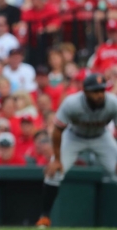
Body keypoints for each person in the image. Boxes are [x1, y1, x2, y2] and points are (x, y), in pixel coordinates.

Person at [36, 74, 117, 228]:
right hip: (74, 137)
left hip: (101, 137)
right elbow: (57, 131)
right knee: (54, 173)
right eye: (95, 91)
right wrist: (57, 160)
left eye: (102, 90)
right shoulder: (72, 103)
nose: (100, 94)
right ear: (85, 91)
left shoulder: (113, 103)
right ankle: (44, 217)